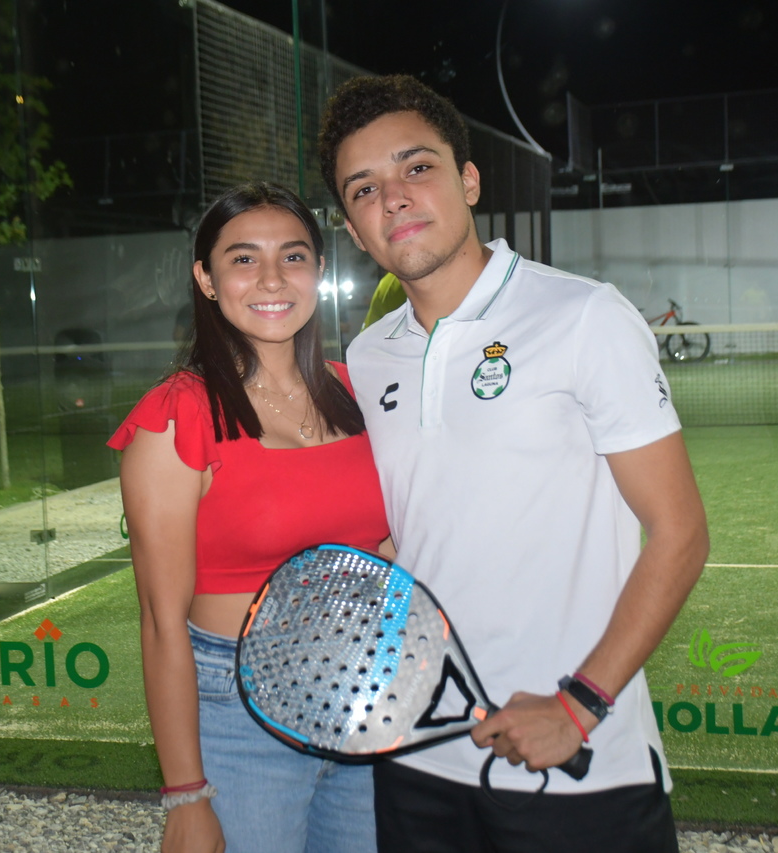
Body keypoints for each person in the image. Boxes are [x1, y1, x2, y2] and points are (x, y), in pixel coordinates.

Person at [319, 74, 709, 853]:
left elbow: (680, 532)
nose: (393, 198)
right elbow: (410, 531)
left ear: (469, 180)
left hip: (577, 764)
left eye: (416, 167)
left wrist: (579, 704)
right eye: (364, 189)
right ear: (356, 232)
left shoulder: (585, 316)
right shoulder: (368, 356)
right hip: (414, 758)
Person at [108, 182, 390, 853]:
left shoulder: (359, 391)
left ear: (319, 271)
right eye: (243, 258)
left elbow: (388, 551)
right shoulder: (177, 416)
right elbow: (161, 621)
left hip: (363, 697)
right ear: (206, 279)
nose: (271, 278)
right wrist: (185, 792)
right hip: (239, 713)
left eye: (293, 256)